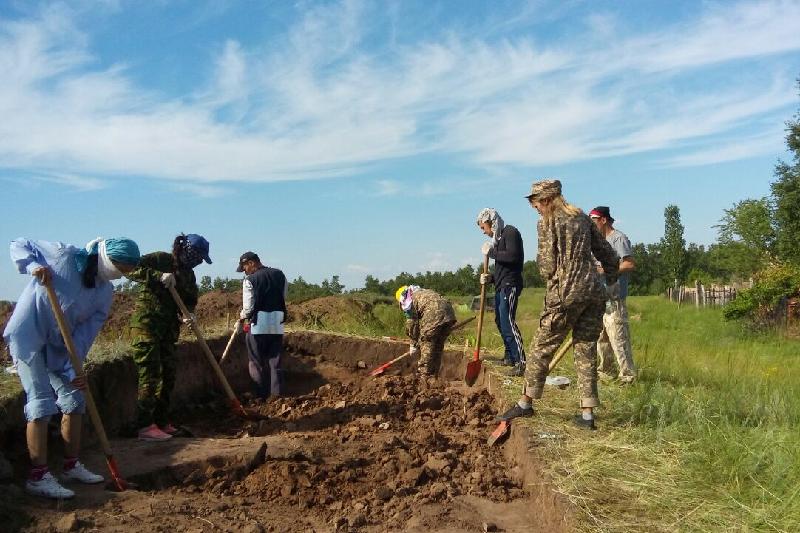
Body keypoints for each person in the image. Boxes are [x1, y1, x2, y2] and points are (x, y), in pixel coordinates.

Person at [3, 237, 140, 499]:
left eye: (126, 272)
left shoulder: (104, 292)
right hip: (28, 337)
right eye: (121, 268)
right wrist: (32, 266)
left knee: (75, 398)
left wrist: (72, 368)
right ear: (108, 259)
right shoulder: (64, 256)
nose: (122, 275)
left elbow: (83, 336)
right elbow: (19, 243)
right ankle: (38, 476)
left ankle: (70, 466)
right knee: (41, 402)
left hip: (58, 348)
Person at [496, 180, 619, 430]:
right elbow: (607, 252)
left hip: (565, 294)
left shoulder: (547, 223)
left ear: (547, 200)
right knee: (586, 350)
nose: (535, 208)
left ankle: (525, 404)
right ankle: (587, 415)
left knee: (541, 348)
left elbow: (546, 265)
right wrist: (612, 278)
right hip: (594, 293)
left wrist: (554, 281)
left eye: (536, 202)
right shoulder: (582, 218)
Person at [127, 233, 211, 441]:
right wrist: (157, 276)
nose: (199, 262)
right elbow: (129, 269)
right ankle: (145, 425)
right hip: (147, 325)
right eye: (198, 256)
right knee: (151, 373)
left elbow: (190, 300)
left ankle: (161, 421)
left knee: (169, 374)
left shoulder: (189, 275)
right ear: (188, 251)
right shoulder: (160, 259)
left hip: (168, 329)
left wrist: (189, 314)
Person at [589, 206, 637, 383]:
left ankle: (628, 377)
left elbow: (629, 264)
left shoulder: (618, 238)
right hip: (600, 299)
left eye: (594, 221)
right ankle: (606, 373)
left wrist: (606, 270)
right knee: (602, 339)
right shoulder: (597, 243)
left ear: (603, 220)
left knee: (619, 339)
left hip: (615, 298)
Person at [476, 208, 526, 376]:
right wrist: (490, 278)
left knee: (508, 322)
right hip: (500, 285)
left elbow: (513, 257)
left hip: (510, 285)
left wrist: (493, 253)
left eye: (484, 228)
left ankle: (521, 361)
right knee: (500, 321)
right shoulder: (498, 239)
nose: (483, 232)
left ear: (492, 222)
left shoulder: (510, 232)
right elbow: (503, 268)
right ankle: (509, 357)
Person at [236, 251, 287, 400]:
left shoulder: (249, 280)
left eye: (244, 267)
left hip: (258, 324)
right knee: (275, 361)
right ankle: (277, 396)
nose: (244, 271)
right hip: (277, 323)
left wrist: (240, 319)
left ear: (251, 263)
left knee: (255, 361)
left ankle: (260, 396)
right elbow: (282, 297)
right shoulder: (280, 275)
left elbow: (248, 308)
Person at [396, 285, 457, 377]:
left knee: (426, 341)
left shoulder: (408, 300)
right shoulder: (423, 293)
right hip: (449, 313)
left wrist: (413, 344)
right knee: (437, 345)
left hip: (434, 312)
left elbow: (412, 324)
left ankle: (423, 377)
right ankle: (433, 376)